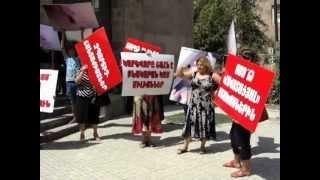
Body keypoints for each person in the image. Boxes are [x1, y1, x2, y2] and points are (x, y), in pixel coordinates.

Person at [222, 48, 268, 178]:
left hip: (246, 114)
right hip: (237, 112)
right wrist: (226, 74)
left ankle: (246, 169)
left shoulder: (257, 73)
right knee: (233, 138)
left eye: (244, 57)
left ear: (250, 59)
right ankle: (237, 162)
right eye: (240, 56)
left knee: (242, 141)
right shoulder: (238, 70)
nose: (241, 59)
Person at [175, 57, 220, 154]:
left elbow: (224, 84)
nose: (199, 66)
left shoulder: (212, 75)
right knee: (189, 125)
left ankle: (202, 146)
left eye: (201, 64)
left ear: (206, 65)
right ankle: (185, 146)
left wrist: (216, 94)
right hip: (193, 105)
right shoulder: (194, 73)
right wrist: (180, 68)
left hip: (206, 106)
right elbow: (180, 75)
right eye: (198, 64)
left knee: (204, 125)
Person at [74, 65, 100, 141]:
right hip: (82, 97)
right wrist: (82, 71)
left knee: (94, 116)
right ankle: (82, 134)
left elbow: (100, 82)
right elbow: (77, 82)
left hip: (93, 97)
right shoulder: (79, 70)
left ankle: (95, 133)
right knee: (81, 117)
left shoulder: (95, 71)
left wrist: (97, 87)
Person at [61, 31, 81, 123]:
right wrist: (62, 34)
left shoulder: (79, 59)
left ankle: (80, 117)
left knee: (79, 101)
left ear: (74, 50)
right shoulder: (67, 59)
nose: (71, 51)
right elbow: (62, 48)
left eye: (72, 50)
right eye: (69, 50)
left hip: (78, 83)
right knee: (72, 102)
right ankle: (75, 117)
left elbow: (82, 48)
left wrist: (82, 34)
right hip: (69, 83)